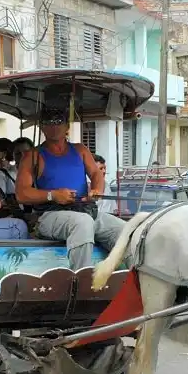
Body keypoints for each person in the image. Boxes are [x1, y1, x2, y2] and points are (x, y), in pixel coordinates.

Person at [15, 109, 126, 270]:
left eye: (58, 122)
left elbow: (96, 173)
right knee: (82, 222)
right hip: (49, 215)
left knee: (124, 230)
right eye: (48, 123)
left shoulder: (80, 150)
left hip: (85, 210)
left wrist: (96, 190)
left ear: (67, 125)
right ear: (41, 127)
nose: (54, 127)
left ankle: (130, 278)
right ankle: (81, 278)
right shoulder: (31, 156)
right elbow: (21, 194)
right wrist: (52, 195)